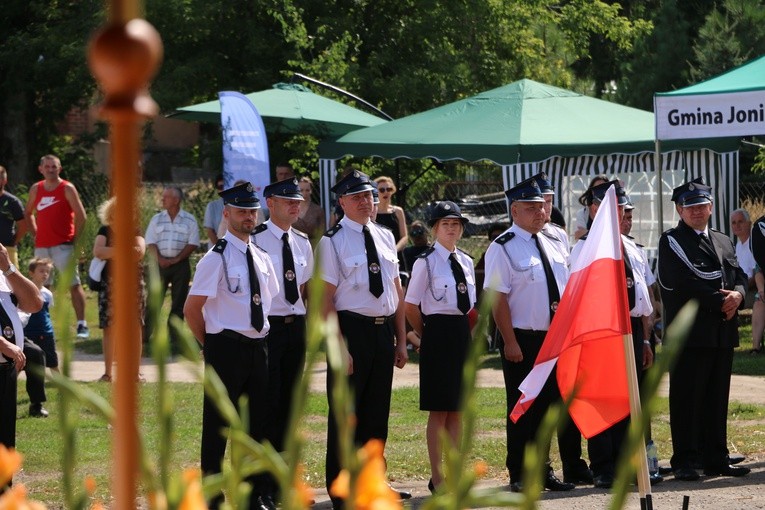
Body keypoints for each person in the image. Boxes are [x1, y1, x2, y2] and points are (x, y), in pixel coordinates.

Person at [483, 176, 589, 493]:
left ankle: (543, 469)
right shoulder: (502, 247)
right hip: (523, 338)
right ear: (514, 210)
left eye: (541, 206)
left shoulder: (555, 241)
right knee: (522, 406)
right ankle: (518, 472)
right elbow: (497, 298)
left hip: (555, 337)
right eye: (530, 208)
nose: (539, 212)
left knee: (549, 408)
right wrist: (510, 341)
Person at [316, 169, 409, 509]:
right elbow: (324, 299)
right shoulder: (331, 241)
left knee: (376, 413)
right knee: (346, 413)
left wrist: (401, 339)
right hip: (350, 330)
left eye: (369, 195)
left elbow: (395, 290)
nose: (365, 201)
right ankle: (341, 488)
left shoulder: (385, 236)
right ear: (341, 202)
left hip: (383, 330)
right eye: (356, 196)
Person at [183, 182, 279, 510]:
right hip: (226, 347)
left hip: (258, 347)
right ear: (226, 214)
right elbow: (191, 310)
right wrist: (209, 344)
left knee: (257, 426)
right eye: (241, 211)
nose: (249, 216)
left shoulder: (262, 256)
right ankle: (212, 496)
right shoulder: (216, 258)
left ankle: (255, 496)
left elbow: (269, 301)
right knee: (218, 427)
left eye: (252, 211)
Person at [657, 177, 750, 481]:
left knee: (716, 397)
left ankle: (716, 457)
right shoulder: (672, 240)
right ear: (679, 210)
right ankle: (686, 459)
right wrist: (720, 302)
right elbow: (680, 283)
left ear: (711, 207)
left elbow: (737, 274)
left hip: (721, 331)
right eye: (690, 207)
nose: (697, 212)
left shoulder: (723, 240)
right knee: (687, 398)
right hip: (690, 333)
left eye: (702, 206)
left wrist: (738, 295)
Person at [570, 181, 655, 488]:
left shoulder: (631, 246)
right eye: (613, 208)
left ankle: (627, 463)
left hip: (631, 330)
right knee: (603, 398)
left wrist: (645, 339)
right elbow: (578, 295)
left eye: (623, 209)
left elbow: (644, 300)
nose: (620, 214)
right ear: (594, 210)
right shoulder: (584, 248)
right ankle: (603, 466)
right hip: (602, 330)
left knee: (629, 399)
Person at [404, 201, 475, 493]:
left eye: (456, 224)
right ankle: (438, 477)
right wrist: (427, 336)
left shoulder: (467, 261)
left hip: (461, 334)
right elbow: (410, 306)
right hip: (437, 332)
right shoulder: (426, 261)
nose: (451, 229)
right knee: (439, 411)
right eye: (445, 224)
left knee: (457, 410)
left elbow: (470, 306)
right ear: (434, 229)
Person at [251, 177, 314, 504]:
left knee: (290, 407)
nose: (295, 205)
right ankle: (261, 487)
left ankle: (284, 484)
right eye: (287, 200)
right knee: (266, 406)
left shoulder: (303, 241)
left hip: (295, 327)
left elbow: (303, 289)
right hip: (268, 329)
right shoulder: (256, 239)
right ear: (269, 203)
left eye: (298, 201)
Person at [24, 154, 89, 338]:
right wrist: (35, 233)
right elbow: (28, 213)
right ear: (41, 169)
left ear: (59, 169)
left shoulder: (67, 188)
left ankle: (82, 325)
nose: (51, 169)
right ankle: (41, 324)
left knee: (73, 284)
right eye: (47, 166)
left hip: (64, 246)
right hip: (42, 246)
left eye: (54, 167)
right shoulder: (36, 189)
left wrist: (77, 241)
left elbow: (81, 216)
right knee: (42, 286)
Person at [0, 243, 44, 488]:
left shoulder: (4, 277)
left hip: (5, 371)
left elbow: (34, 304)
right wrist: (3, 345)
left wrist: (7, 267)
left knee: (5, 443)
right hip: (5, 357)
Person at [93, 197, 147, 382]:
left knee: (135, 327)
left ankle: (136, 373)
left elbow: (139, 252)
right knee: (109, 327)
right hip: (109, 283)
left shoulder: (136, 230)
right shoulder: (104, 230)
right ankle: (108, 373)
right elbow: (98, 252)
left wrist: (113, 251)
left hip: (133, 284)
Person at [144, 186, 200, 348]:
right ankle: (145, 335)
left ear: (176, 200)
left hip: (181, 265)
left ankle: (174, 337)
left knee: (179, 301)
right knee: (154, 300)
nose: (162, 200)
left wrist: (177, 258)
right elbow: (150, 241)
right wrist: (160, 258)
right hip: (159, 264)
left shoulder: (189, 219)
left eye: (166, 197)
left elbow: (193, 242)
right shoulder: (156, 219)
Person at [20, 258, 59, 417]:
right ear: (31, 273)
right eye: (41, 271)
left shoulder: (47, 294)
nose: (45, 274)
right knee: (16, 363)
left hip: (45, 333)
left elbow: (47, 311)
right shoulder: (22, 289)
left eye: (47, 272)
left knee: (48, 360)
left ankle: (38, 403)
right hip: (27, 332)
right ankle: (8, 388)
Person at [730, 208, 764, 353]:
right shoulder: (735, 245)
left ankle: (755, 347)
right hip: (740, 288)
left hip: (751, 289)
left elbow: (757, 272)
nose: (737, 226)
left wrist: (738, 289)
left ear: (749, 223)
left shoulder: (755, 242)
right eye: (733, 223)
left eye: (740, 222)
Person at [0, 166, 27, 268]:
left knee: (12, 282)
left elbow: (24, 226)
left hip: (7, 249)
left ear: (4, 181)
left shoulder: (12, 201)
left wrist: (12, 241)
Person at [373, 176, 408, 253]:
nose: (386, 192)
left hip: (396, 255)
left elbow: (404, 237)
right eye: (382, 190)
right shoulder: (371, 213)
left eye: (389, 189)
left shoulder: (398, 211)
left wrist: (394, 250)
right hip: (377, 255)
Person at [573, 175, 608, 240]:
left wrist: (587, 233)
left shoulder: (612, 212)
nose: (599, 191)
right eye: (597, 188)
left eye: (603, 188)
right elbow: (578, 235)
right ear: (592, 191)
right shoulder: (582, 213)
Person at [293, 176, 325, 241]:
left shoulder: (318, 210)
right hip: (293, 245)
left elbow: (322, 234)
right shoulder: (291, 209)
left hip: (313, 247)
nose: (304, 193)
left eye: (307, 190)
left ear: (311, 191)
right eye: (301, 190)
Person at [203, 174, 225, 245]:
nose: (223, 189)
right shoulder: (212, 206)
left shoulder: (240, 205)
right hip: (217, 249)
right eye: (220, 187)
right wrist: (220, 249)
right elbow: (210, 231)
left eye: (225, 186)